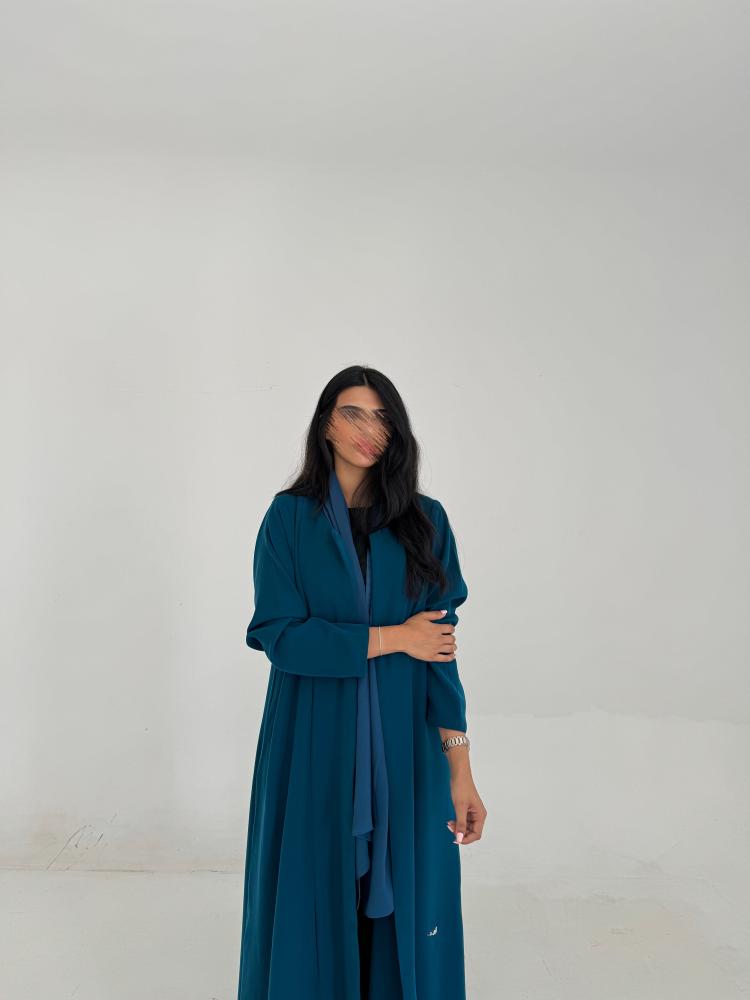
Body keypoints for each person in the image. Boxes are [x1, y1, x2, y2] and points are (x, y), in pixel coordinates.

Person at [237, 365, 487, 1000]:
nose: (368, 430)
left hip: (406, 744)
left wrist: (460, 769)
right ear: (325, 423)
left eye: (383, 419)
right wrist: (394, 637)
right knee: (314, 894)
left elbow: (440, 656)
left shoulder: (425, 521)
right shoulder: (289, 519)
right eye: (353, 413)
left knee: (412, 898)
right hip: (312, 738)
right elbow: (281, 636)